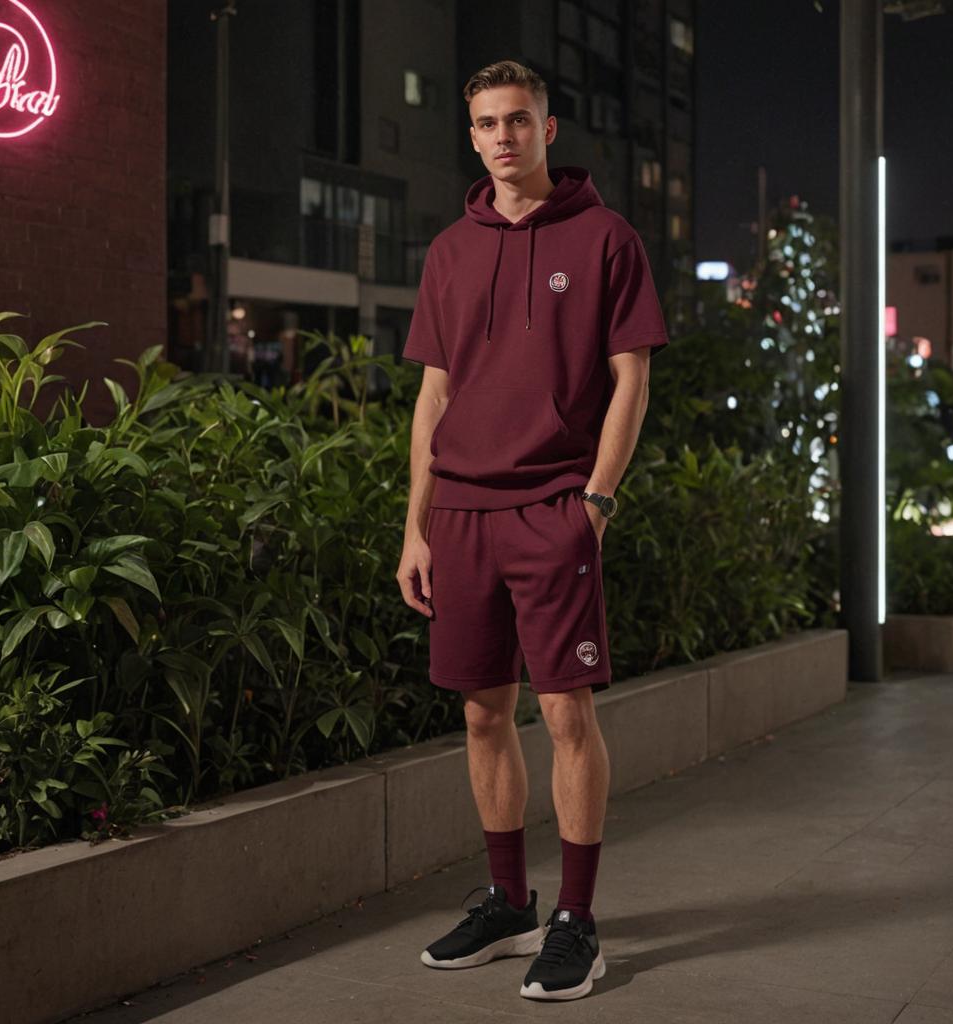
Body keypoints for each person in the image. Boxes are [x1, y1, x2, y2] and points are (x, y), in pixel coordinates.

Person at [395, 59, 669, 1002]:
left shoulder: (605, 240)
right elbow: (432, 399)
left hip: (554, 508)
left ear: (548, 130)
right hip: (461, 514)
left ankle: (578, 924)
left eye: (519, 120)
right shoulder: (448, 252)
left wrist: (594, 501)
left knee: (565, 714)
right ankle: (509, 902)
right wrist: (415, 529)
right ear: (470, 136)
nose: (504, 137)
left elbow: (632, 377)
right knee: (480, 713)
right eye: (486, 124)